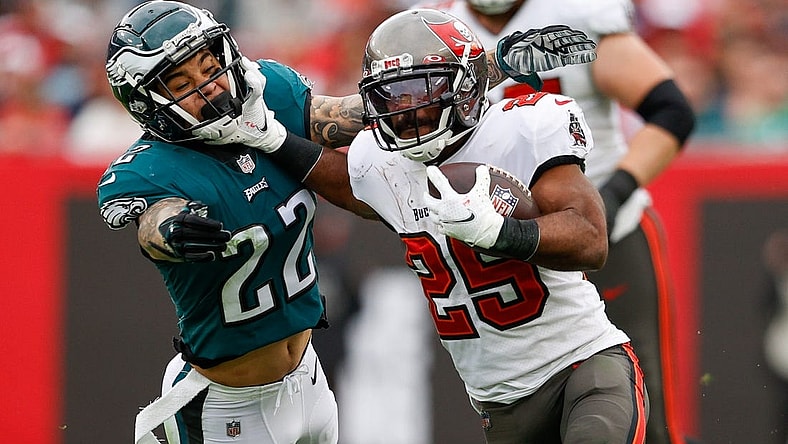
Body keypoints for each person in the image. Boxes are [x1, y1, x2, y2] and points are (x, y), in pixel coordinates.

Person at [96, 2, 596, 442]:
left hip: (309, 381)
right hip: (225, 402)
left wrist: (489, 65)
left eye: (209, 67)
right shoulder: (150, 168)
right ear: (147, 102)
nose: (209, 87)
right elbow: (153, 223)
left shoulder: (268, 94)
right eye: (182, 84)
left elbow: (372, 109)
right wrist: (172, 230)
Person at [205, 9, 650, 443]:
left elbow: (591, 240)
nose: (407, 109)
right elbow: (342, 182)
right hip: (499, 403)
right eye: (391, 95)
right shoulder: (382, 163)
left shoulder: (521, 128)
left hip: (583, 365)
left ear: (465, 89)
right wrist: (273, 139)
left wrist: (499, 233)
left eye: (421, 90)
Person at [417, 1, 697, 442]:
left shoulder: (575, 12)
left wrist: (613, 194)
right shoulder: (434, 27)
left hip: (602, 234)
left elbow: (671, 111)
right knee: (528, 409)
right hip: (501, 249)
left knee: (646, 414)